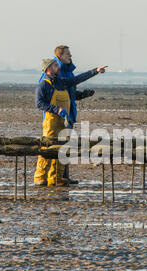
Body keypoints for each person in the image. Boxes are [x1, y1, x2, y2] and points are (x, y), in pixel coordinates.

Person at [33, 58, 107, 187]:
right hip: (51, 121)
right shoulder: (43, 84)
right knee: (47, 148)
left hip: (65, 121)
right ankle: (40, 178)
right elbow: (39, 103)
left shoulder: (62, 82)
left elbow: (77, 79)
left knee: (63, 149)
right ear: (48, 69)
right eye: (55, 65)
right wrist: (56, 109)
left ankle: (56, 178)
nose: (58, 67)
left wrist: (95, 71)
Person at [52, 45, 96, 184]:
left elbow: (70, 94)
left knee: (67, 145)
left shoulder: (68, 72)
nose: (70, 56)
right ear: (60, 56)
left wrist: (82, 95)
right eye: (68, 54)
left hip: (69, 113)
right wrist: (95, 71)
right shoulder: (57, 73)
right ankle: (58, 177)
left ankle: (64, 176)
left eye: (70, 54)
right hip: (59, 115)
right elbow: (70, 84)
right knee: (59, 146)